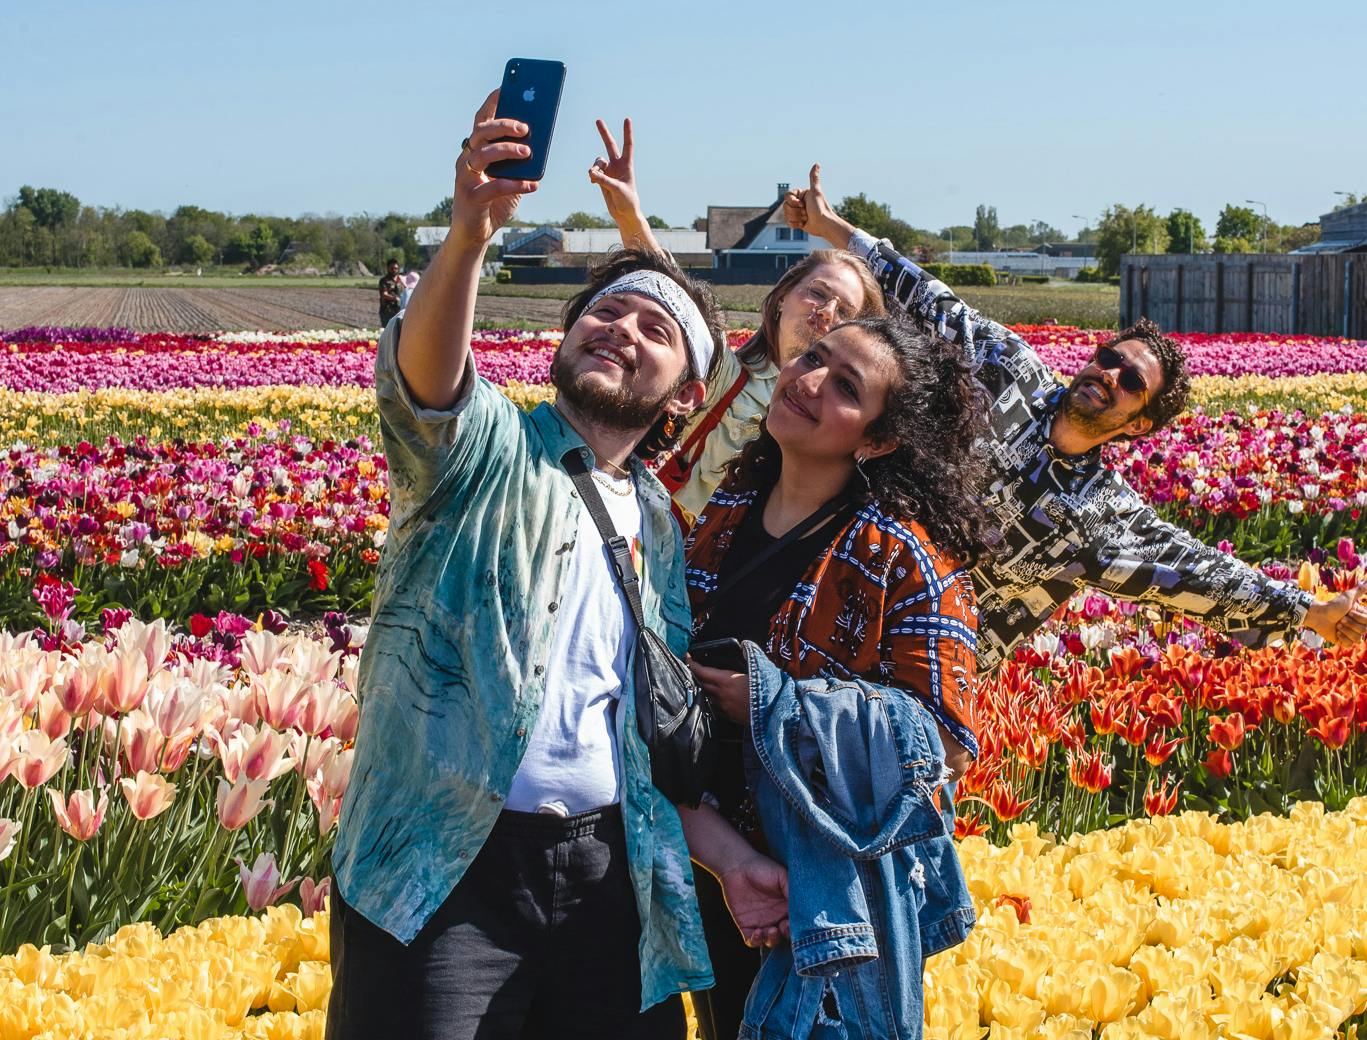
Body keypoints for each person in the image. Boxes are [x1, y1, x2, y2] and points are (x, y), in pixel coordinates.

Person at [327, 89, 789, 1040]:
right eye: (604, 313)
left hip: (608, 880)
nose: (620, 329)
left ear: (683, 392)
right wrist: (469, 234)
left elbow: (638, 735)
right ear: (566, 338)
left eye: (655, 330)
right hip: (441, 866)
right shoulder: (487, 453)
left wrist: (729, 858)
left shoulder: (659, 524)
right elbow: (428, 388)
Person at [783, 166, 1367, 670]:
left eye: (1131, 383)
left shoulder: (1102, 515)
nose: (1109, 375)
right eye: (1109, 358)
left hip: (925, 670)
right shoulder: (1009, 370)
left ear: (1139, 424)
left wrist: (1309, 610)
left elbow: (1202, 573)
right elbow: (930, 298)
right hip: (832, 596)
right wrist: (832, 229)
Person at [679, 316, 996, 1038]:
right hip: (704, 847)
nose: (809, 381)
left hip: (819, 881)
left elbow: (942, 744)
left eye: (846, 387)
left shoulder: (907, 558)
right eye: (813, 358)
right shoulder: (730, 506)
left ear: (877, 442)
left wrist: (777, 706)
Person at [589, 119, 886, 520]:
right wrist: (630, 216)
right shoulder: (729, 378)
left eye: (845, 311)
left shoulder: (844, 420)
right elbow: (678, 297)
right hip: (672, 543)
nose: (826, 312)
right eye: (817, 292)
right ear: (782, 299)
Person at [378, 258, 403, 327]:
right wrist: (395, 298)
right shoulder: (384, 281)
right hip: (387, 311)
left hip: (399, 310)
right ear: (388, 268)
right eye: (392, 268)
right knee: (387, 330)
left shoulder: (401, 280)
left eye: (396, 268)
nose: (394, 270)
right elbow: (384, 294)